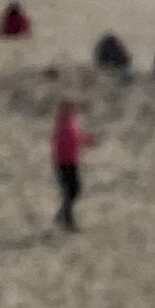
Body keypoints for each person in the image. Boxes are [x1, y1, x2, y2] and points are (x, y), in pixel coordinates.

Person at [50, 97, 97, 233]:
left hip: (72, 161)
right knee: (69, 190)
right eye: (68, 108)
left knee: (75, 190)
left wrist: (90, 140)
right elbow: (61, 141)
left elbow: (79, 137)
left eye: (71, 108)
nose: (70, 111)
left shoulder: (72, 123)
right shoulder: (60, 123)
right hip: (62, 162)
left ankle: (62, 214)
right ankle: (68, 221)